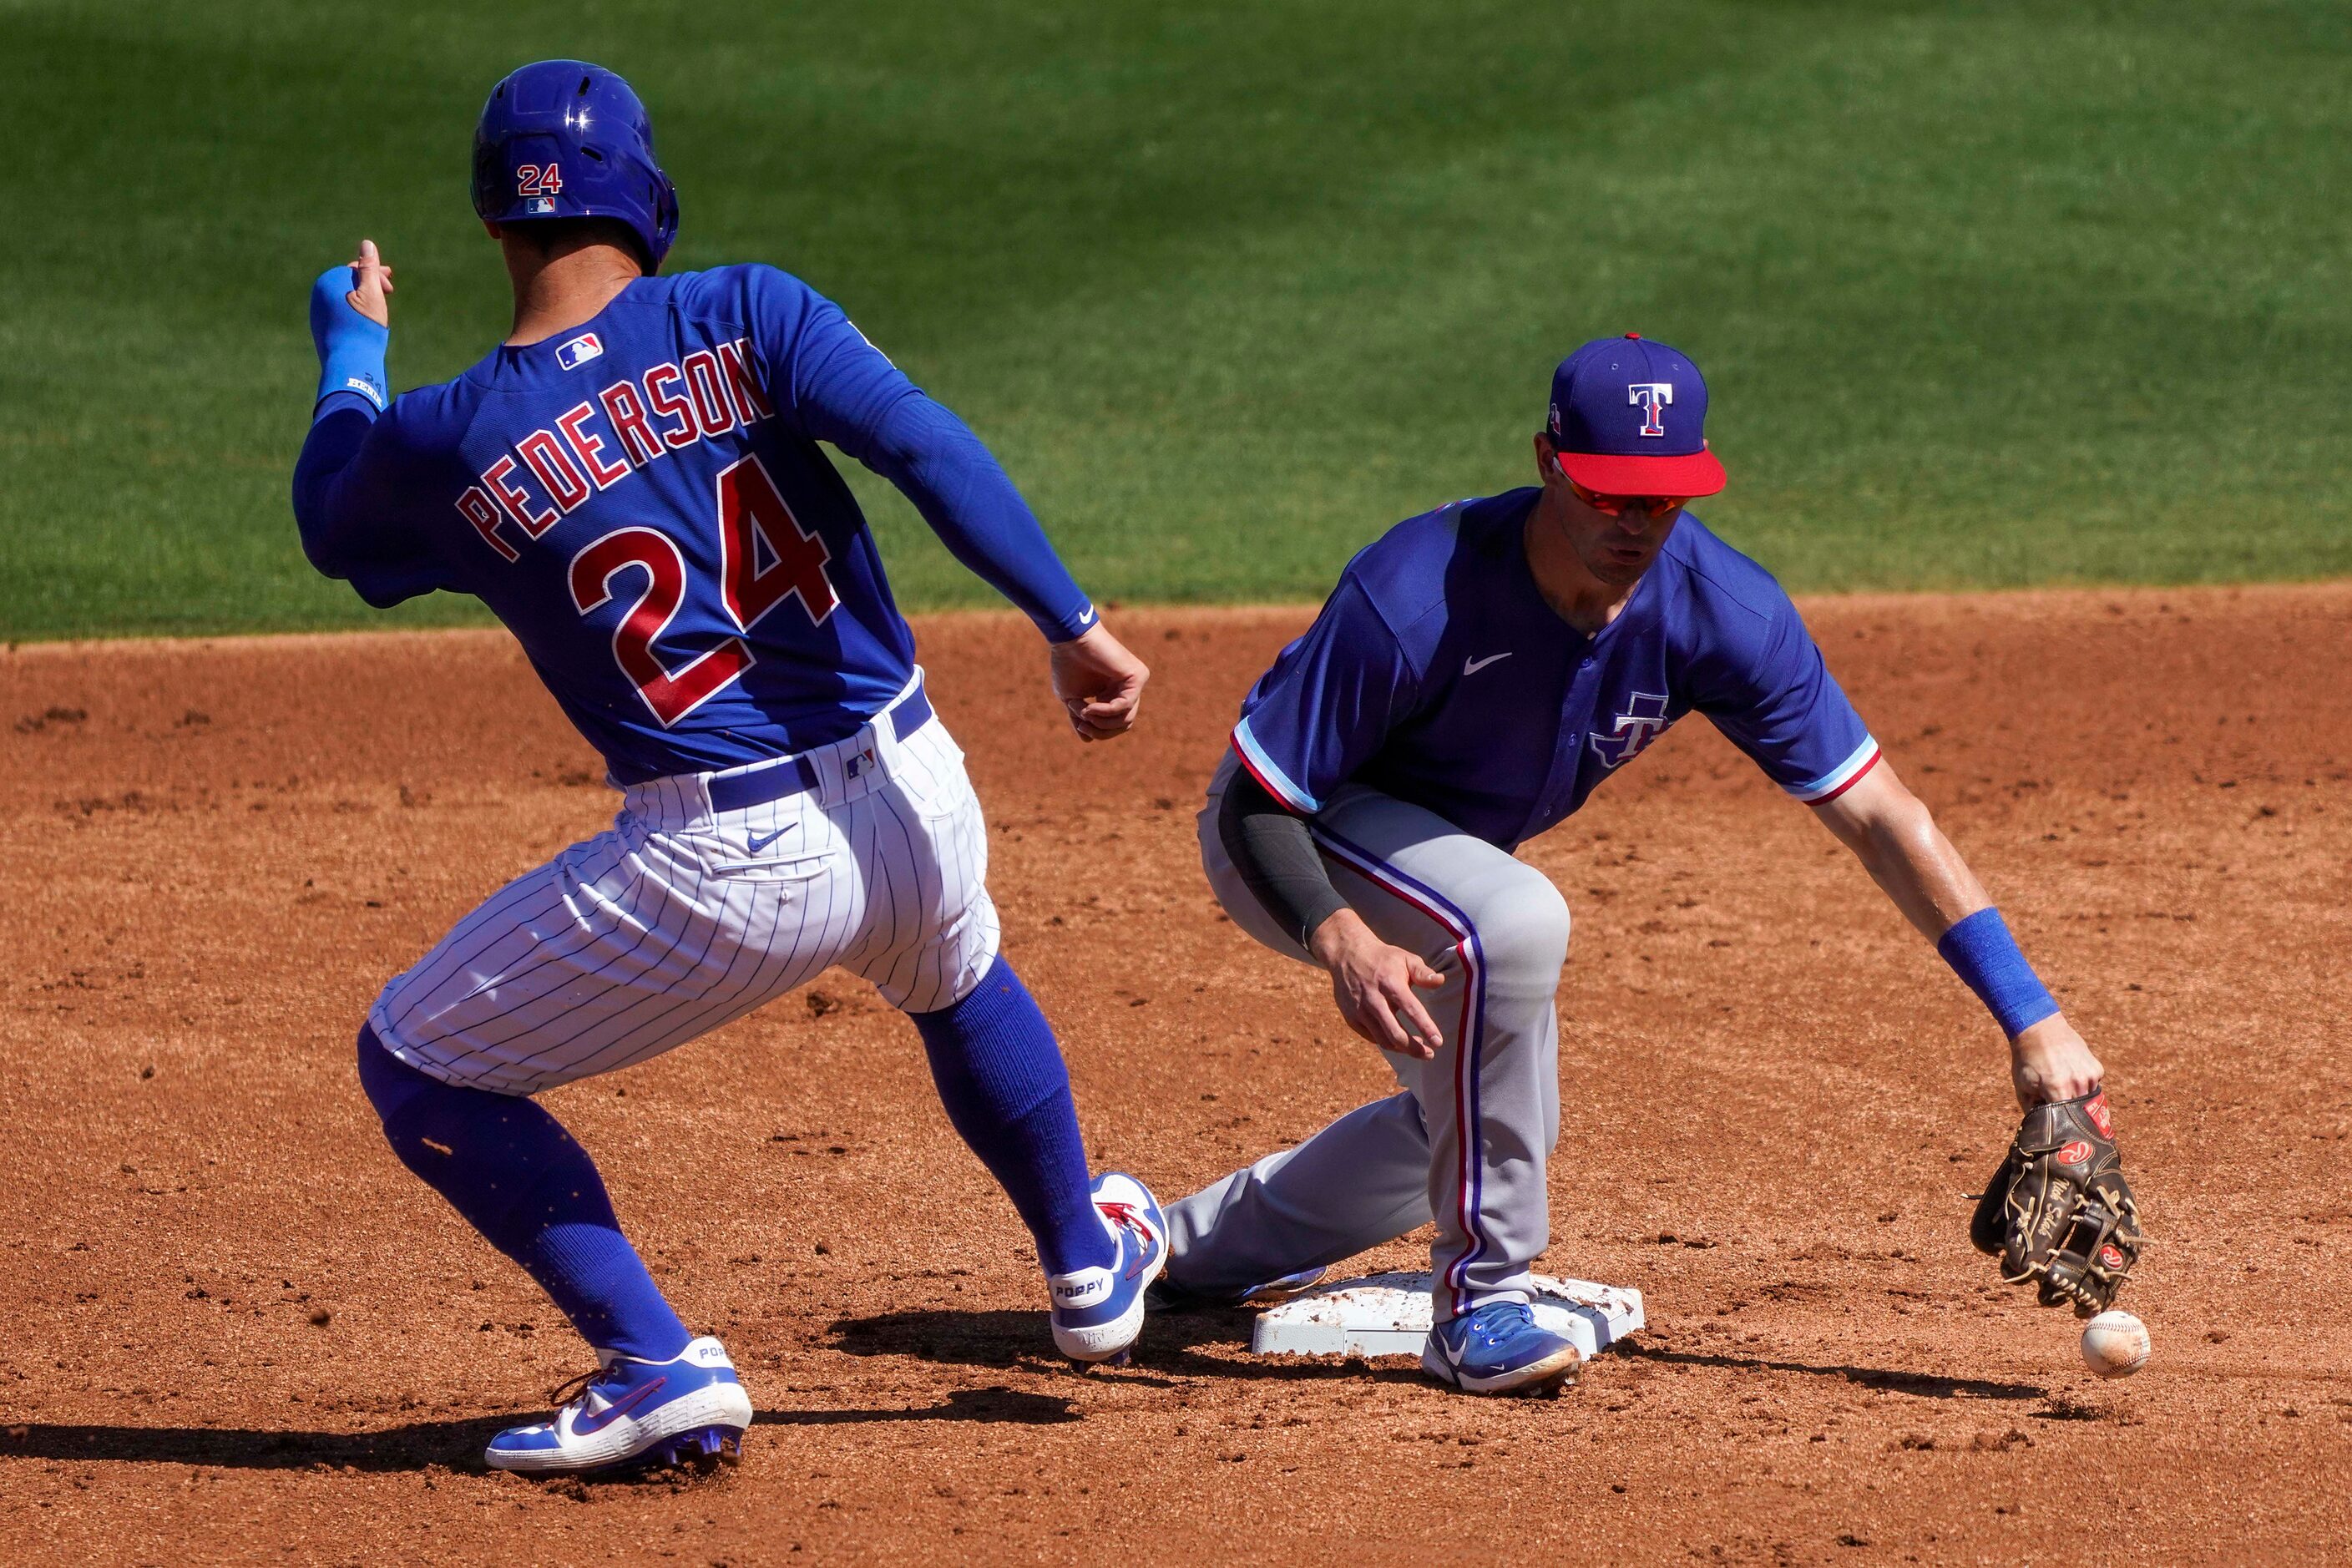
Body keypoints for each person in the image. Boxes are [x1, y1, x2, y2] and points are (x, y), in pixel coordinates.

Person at [292, 60, 1167, 1474]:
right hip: (919, 786)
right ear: (645, 197)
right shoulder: (749, 309)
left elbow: (334, 526)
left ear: (491, 218)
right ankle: (1084, 1258)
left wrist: (349, 352)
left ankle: (654, 1361)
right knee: (952, 964)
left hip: (726, 866)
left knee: (413, 1057)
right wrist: (1068, 622)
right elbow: (922, 446)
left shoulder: (447, 437)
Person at [1156, 333, 2142, 1395]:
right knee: (1519, 922)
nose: (1637, 523)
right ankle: (1481, 1303)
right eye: (1610, 494)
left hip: (1441, 867)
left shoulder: (1723, 611)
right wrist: (1343, 937)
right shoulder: (1417, 589)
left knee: (1481, 1122)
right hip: (1296, 834)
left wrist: (2031, 1018)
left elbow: (1883, 817)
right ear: (1549, 463)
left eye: (1663, 498)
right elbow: (1263, 799)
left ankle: (1169, 1249)